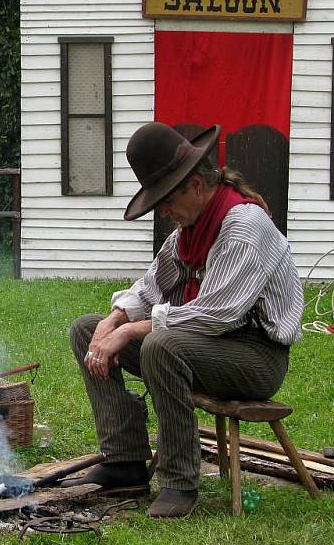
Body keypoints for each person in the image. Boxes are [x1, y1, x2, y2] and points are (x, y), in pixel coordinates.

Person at [67, 122, 303, 517]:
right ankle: (125, 461)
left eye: (167, 199)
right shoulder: (186, 232)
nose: (163, 210)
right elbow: (149, 288)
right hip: (206, 345)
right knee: (86, 329)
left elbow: (215, 314)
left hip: (256, 356)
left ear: (196, 185)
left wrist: (129, 331)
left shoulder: (244, 227)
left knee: (161, 344)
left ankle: (179, 482)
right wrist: (113, 321)